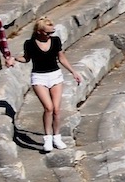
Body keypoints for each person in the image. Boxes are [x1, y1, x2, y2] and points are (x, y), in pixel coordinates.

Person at [20, 18, 81, 153]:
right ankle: (47, 138)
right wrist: (14, 58)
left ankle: (57, 137)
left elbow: (61, 57)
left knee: (57, 110)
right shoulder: (30, 43)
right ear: (39, 32)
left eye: (51, 33)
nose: (49, 35)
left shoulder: (55, 41)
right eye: (47, 33)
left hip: (55, 75)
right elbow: (26, 58)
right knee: (48, 108)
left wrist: (73, 72)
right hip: (39, 77)